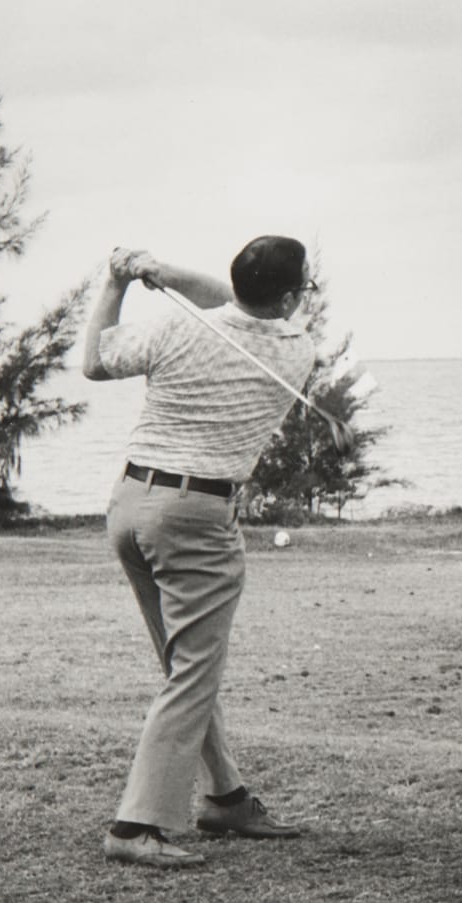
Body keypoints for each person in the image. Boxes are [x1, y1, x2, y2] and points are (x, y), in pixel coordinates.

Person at [83, 236, 318, 868]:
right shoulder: (297, 349)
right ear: (289, 298)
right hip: (196, 519)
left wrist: (122, 280)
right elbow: (238, 305)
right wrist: (163, 273)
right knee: (193, 671)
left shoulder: (176, 328)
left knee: (185, 664)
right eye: (303, 289)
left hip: (129, 505)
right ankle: (135, 826)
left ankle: (226, 798)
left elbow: (95, 362)